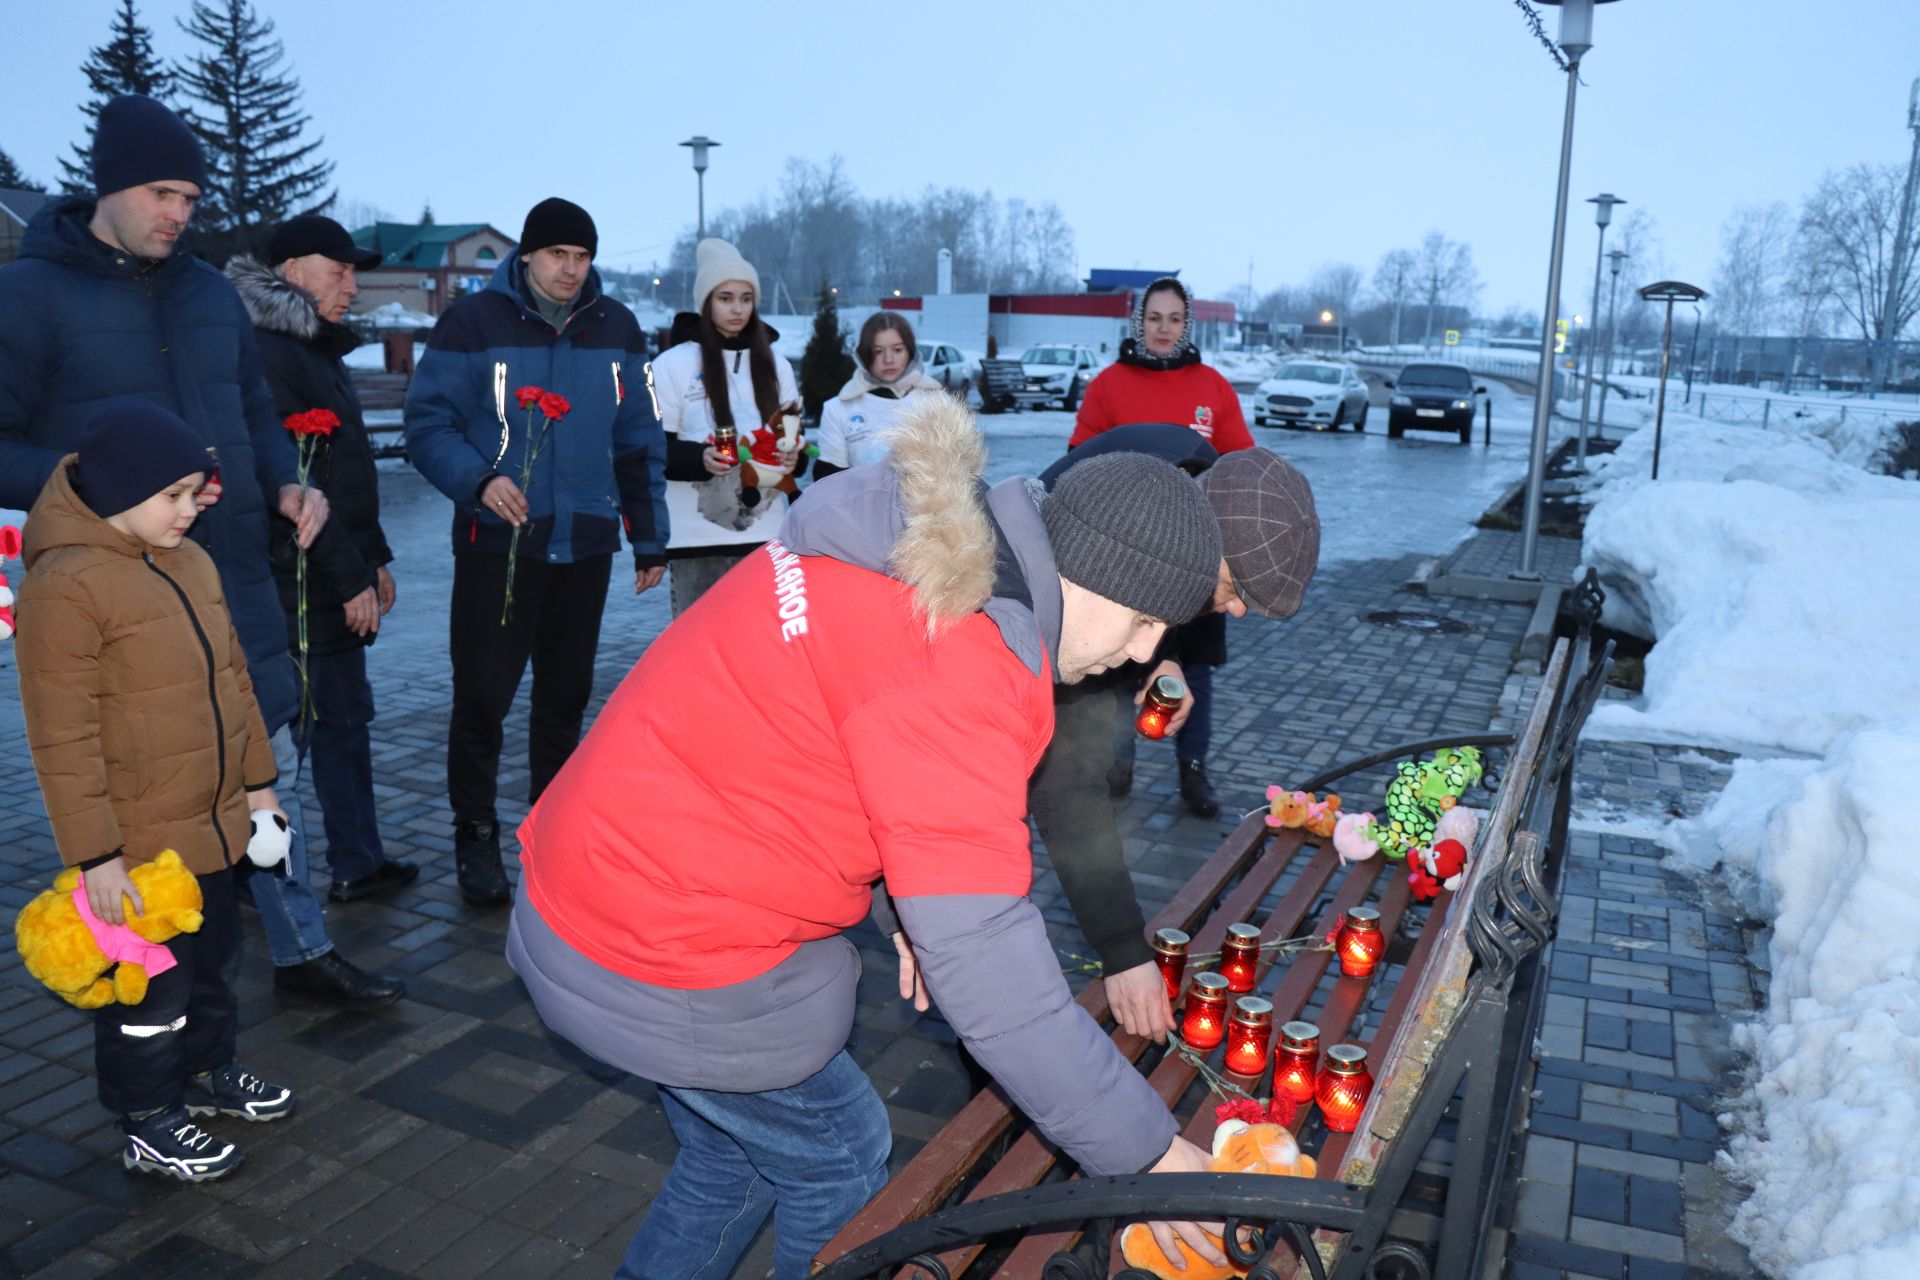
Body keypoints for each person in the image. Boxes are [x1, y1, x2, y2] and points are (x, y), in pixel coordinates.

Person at [508, 397, 1237, 1278]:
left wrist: (904, 911)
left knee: (733, 1157)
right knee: (841, 1157)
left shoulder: (908, 549)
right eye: (1145, 620)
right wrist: (1150, 1156)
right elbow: (996, 979)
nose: (1140, 653)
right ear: (1096, 571)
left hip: (589, 886)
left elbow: (843, 741)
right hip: (659, 945)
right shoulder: (967, 658)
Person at [0, 93, 401, 1009]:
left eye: (190, 195)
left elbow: (254, 414)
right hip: (114, 596)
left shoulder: (209, 292)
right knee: (156, 802)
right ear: (108, 185)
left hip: (232, 579)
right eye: (161, 192)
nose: (180, 213)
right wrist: (100, 480)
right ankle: (153, 1003)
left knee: (260, 773)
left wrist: (287, 483)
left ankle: (298, 951)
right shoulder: (26, 297)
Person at [15, 404, 299, 1182]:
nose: (188, 511)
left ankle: (208, 1075)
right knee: (149, 993)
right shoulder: (63, 587)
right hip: (136, 846)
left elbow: (234, 683)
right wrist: (97, 857)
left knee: (213, 968)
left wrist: (260, 789)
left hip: (213, 827)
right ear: (118, 490)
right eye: (172, 495)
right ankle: (147, 1118)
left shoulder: (190, 564)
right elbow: (61, 740)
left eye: (195, 493)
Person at [403, 196, 669, 907]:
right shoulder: (472, 324)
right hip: (498, 545)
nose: (570, 270)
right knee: (483, 698)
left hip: (584, 543)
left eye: (582, 258)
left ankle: (553, 831)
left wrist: (648, 535)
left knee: (564, 699)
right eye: (557, 256)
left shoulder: (616, 326)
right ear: (527, 256)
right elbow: (426, 425)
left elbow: (638, 436)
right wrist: (480, 480)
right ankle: (476, 833)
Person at [1030, 431, 1321, 1041]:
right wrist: (1122, 950)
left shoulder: (1196, 481)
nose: (1238, 612)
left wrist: (1161, 657)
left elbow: (1174, 591)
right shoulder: (1093, 580)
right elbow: (1067, 791)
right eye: (1235, 587)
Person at [227, 215, 417, 905]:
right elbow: (293, 491)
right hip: (298, 581)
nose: (351, 284)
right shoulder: (268, 355)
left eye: (353, 272)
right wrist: (350, 576)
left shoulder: (313, 348)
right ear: (290, 272)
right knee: (308, 733)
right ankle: (283, 874)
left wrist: (378, 558)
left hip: (332, 569)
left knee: (340, 722)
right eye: (337, 270)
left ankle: (352, 857)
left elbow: (345, 473)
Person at [1069, 277, 1257, 816]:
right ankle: (1119, 761)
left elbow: (1239, 464)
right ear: (1138, 321)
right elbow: (1080, 456)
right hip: (1123, 557)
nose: (1164, 328)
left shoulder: (1213, 386)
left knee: (1191, 669)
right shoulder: (1108, 384)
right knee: (1117, 660)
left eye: (1174, 319)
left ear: (1187, 324)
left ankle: (1192, 769)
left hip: (1197, 558)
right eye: (1154, 318)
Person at [649, 237, 805, 614]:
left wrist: (792, 459)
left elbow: (794, 452)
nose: (737, 309)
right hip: (695, 541)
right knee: (699, 658)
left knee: (762, 654)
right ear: (706, 302)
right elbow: (653, 450)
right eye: (725, 298)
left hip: (768, 537)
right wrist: (700, 457)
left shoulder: (777, 366)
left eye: (746, 298)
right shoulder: (671, 365)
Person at [812, 311, 945, 479]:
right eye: (878, 351)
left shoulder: (938, 402)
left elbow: (957, 471)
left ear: (910, 352)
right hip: (860, 505)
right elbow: (831, 482)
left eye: (897, 350)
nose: (888, 359)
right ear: (864, 355)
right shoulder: (838, 409)